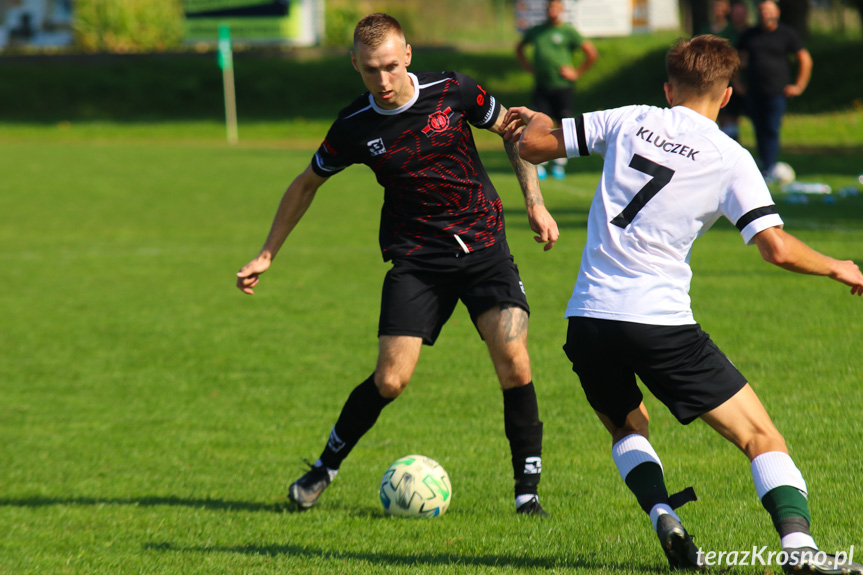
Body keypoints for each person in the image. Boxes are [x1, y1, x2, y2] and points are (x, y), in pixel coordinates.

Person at [505, 35, 863, 573]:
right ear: (726, 96)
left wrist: (532, 119)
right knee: (760, 435)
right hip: (660, 323)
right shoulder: (730, 157)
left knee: (629, 429)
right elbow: (776, 248)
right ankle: (799, 551)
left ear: (669, 88)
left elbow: (534, 145)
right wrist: (839, 265)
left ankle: (661, 513)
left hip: (590, 319)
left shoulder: (629, 118)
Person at [236, 13, 559, 517]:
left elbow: (513, 131)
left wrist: (534, 203)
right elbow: (305, 183)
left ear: (407, 54)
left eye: (390, 66)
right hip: (417, 260)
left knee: (514, 362)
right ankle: (325, 467)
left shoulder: (453, 90)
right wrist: (266, 252)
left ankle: (527, 495)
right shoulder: (354, 127)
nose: (383, 81)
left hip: (484, 248)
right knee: (390, 380)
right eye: (370, 70)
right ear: (355, 66)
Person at [515, 0, 597, 180]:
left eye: (556, 8)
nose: (552, 11)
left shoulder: (568, 31)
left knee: (563, 124)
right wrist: (529, 67)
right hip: (542, 85)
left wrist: (576, 72)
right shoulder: (538, 31)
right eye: (549, 8)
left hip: (562, 86)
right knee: (538, 122)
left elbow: (591, 52)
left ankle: (559, 164)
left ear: (561, 10)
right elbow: (520, 48)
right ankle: (541, 163)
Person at [736, 0, 812, 180]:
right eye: (762, 10)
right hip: (754, 92)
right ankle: (765, 165)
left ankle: (769, 167)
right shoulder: (749, 35)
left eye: (769, 10)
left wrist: (799, 85)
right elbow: (736, 59)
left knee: (771, 128)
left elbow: (805, 59)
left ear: (777, 12)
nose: (765, 14)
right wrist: (737, 83)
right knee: (758, 129)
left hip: (777, 92)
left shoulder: (786, 34)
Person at [715, 1, 749, 140]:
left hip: (749, 81)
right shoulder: (726, 33)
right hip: (728, 80)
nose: (738, 17)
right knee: (727, 117)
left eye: (741, 14)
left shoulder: (750, 32)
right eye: (736, 14)